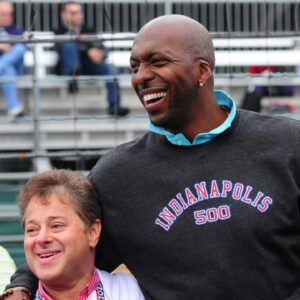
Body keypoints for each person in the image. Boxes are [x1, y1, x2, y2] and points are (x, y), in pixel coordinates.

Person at [4, 14, 300, 300]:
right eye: (135, 66)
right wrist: (21, 286)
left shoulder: (288, 143)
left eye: (158, 62)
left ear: (202, 71)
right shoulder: (118, 175)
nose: (142, 76)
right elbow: (65, 239)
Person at [0, 169, 144, 300]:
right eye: (32, 230)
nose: (42, 238)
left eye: (56, 226)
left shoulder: (132, 292)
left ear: (93, 232)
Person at [55, 1, 129, 117]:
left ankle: (115, 106)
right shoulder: (58, 32)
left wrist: (100, 54)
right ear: (63, 14)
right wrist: (87, 50)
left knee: (110, 69)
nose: (77, 15)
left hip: (89, 65)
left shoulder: (89, 30)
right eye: (72, 13)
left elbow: (102, 48)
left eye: (78, 12)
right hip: (67, 68)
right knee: (69, 46)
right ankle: (74, 74)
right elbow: (59, 48)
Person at [0, 0, 26, 117]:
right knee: (8, 71)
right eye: (3, 14)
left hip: (18, 70)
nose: (7, 17)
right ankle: (14, 108)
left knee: (20, 47)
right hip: (8, 72)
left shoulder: (16, 30)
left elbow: (19, 52)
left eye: (10, 14)